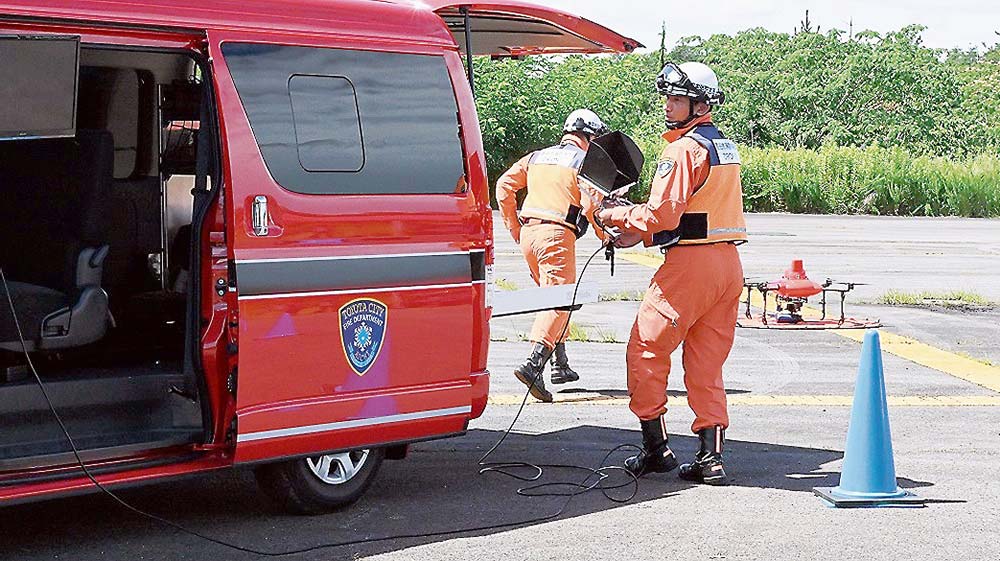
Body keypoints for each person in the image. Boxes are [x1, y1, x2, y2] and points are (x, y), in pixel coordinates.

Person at [597, 62, 747, 485]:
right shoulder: (723, 148)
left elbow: (664, 213)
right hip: (726, 265)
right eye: (668, 97)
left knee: (645, 349)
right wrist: (639, 238)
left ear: (699, 103)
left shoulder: (682, 150)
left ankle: (655, 448)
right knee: (706, 363)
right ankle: (710, 458)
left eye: (677, 99)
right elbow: (696, 216)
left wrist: (616, 214)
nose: (669, 105)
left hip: (689, 270)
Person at [496, 109, 610, 402]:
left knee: (553, 299)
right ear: (589, 137)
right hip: (557, 236)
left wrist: (514, 227)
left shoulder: (537, 157)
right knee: (558, 300)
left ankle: (560, 364)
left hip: (530, 236)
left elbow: (503, 187)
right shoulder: (582, 162)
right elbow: (590, 205)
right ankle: (534, 363)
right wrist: (604, 234)